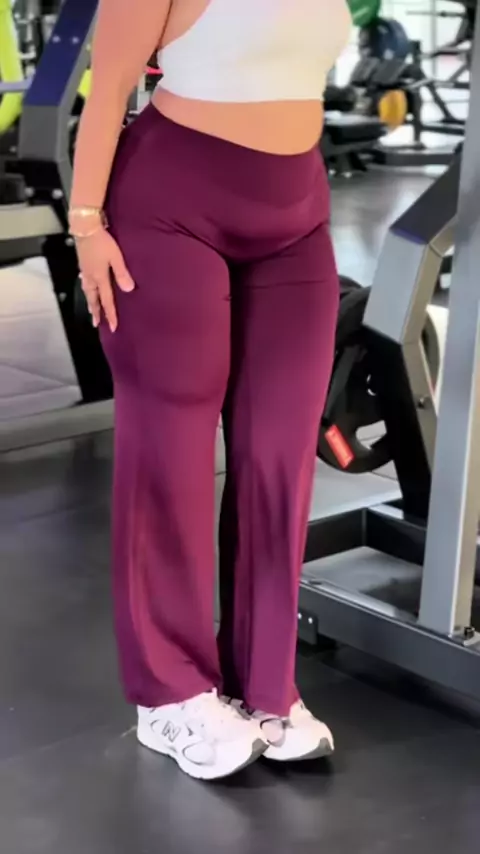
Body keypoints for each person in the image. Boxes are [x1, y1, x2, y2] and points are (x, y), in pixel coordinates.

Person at [70, 0, 352, 782]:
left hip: (298, 210)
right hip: (170, 207)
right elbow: (109, 85)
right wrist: (87, 225)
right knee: (173, 451)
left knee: (280, 452)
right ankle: (170, 694)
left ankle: (266, 686)